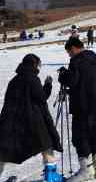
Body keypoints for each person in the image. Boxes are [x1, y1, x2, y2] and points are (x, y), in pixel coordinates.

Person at [0, 54, 63, 182]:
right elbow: (41, 97)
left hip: (11, 121)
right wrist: (48, 85)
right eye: (38, 64)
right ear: (34, 64)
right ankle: (51, 175)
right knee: (46, 144)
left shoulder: (14, 80)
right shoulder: (32, 78)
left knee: (3, 151)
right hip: (31, 120)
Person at [58, 37, 96, 181]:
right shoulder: (94, 57)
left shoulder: (77, 61)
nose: (69, 55)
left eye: (69, 52)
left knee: (80, 136)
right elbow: (83, 81)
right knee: (94, 132)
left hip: (84, 105)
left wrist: (63, 75)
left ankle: (86, 170)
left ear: (73, 48)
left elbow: (72, 81)